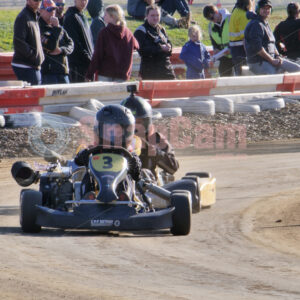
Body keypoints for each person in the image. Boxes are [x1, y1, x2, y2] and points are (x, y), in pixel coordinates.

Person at [74, 104, 142, 196]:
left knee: (126, 175)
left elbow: (137, 175)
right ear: (99, 130)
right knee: (88, 173)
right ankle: (88, 197)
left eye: (118, 132)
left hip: (120, 192)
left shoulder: (129, 153)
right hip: (96, 188)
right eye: (110, 132)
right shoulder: (92, 148)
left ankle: (124, 197)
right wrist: (84, 155)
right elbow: (77, 161)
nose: (114, 136)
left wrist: (134, 163)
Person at [120, 90, 179, 178]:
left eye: (138, 122)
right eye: (131, 122)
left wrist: (155, 152)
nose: (134, 126)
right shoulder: (114, 139)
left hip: (146, 186)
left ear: (146, 122)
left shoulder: (156, 139)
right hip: (120, 182)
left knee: (144, 173)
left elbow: (173, 168)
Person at [244, 0, 300, 75]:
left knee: (297, 69)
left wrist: (277, 56)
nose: (266, 10)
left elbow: (272, 44)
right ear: (258, 9)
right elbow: (258, 48)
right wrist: (271, 60)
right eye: (263, 8)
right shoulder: (256, 24)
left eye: (268, 9)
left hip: (271, 59)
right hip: (259, 62)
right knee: (275, 74)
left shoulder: (265, 23)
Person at [86, 4, 139, 82]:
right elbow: (136, 46)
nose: (103, 17)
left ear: (112, 16)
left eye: (106, 15)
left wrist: (89, 74)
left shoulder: (104, 32)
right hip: (122, 74)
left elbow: (97, 55)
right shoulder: (128, 33)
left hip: (105, 73)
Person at [134, 4, 176, 80]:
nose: (155, 18)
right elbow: (141, 50)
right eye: (152, 15)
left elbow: (169, 44)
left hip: (166, 68)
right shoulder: (141, 30)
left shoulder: (161, 29)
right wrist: (160, 48)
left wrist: (169, 47)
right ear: (146, 16)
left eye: (157, 15)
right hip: (150, 70)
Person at [39, 0, 74, 84]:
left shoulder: (58, 27)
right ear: (41, 11)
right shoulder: (38, 28)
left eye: (54, 9)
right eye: (49, 10)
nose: (52, 12)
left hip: (63, 71)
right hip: (48, 73)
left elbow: (71, 43)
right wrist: (56, 29)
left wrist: (62, 50)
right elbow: (51, 46)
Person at [11, 0, 45, 85]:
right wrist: (34, 57)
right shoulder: (23, 17)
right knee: (34, 96)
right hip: (26, 66)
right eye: (35, 0)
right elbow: (19, 42)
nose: (38, 2)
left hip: (33, 66)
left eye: (40, 0)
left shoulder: (34, 16)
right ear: (28, 1)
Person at [63, 0, 93, 82]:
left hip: (87, 65)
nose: (83, 2)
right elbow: (75, 44)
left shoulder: (83, 16)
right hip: (77, 66)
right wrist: (89, 60)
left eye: (85, 0)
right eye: (81, 0)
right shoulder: (71, 17)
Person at [203, 4, 234, 77]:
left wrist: (231, 48)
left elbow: (238, 37)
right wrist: (216, 49)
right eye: (209, 19)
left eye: (212, 18)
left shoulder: (230, 19)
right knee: (225, 80)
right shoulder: (211, 26)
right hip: (223, 57)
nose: (212, 21)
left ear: (216, 12)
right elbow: (214, 42)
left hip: (235, 54)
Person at [229, 0, 255, 75]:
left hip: (235, 51)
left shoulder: (235, 11)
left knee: (239, 74)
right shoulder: (244, 15)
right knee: (245, 76)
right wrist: (250, 55)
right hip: (242, 51)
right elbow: (245, 38)